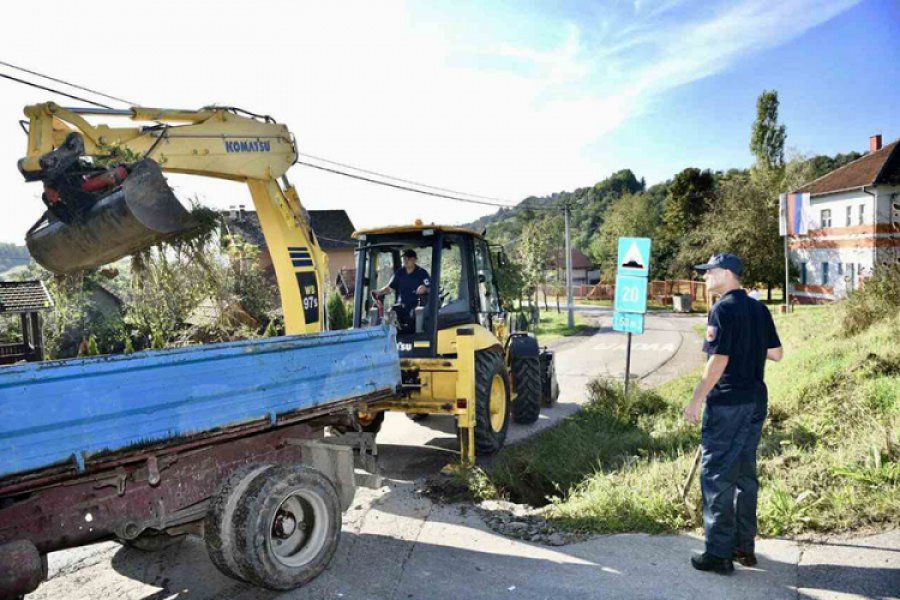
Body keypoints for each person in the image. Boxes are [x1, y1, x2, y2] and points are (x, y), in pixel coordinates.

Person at [684, 252, 783, 575]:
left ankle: (718, 553)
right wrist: (748, 345)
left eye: (709, 272)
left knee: (716, 477)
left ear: (727, 273)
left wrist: (696, 400)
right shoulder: (758, 308)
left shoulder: (722, 308)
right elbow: (776, 353)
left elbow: (718, 360)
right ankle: (744, 547)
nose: (705, 278)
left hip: (727, 403)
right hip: (755, 400)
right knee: (744, 475)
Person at [372, 248, 431, 316]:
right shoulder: (400, 273)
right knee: (390, 314)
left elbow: (430, 288)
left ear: (414, 260)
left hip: (417, 308)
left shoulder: (422, 273)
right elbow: (390, 288)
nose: (405, 261)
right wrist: (380, 292)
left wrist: (425, 289)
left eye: (408, 259)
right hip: (401, 306)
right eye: (404, 259)